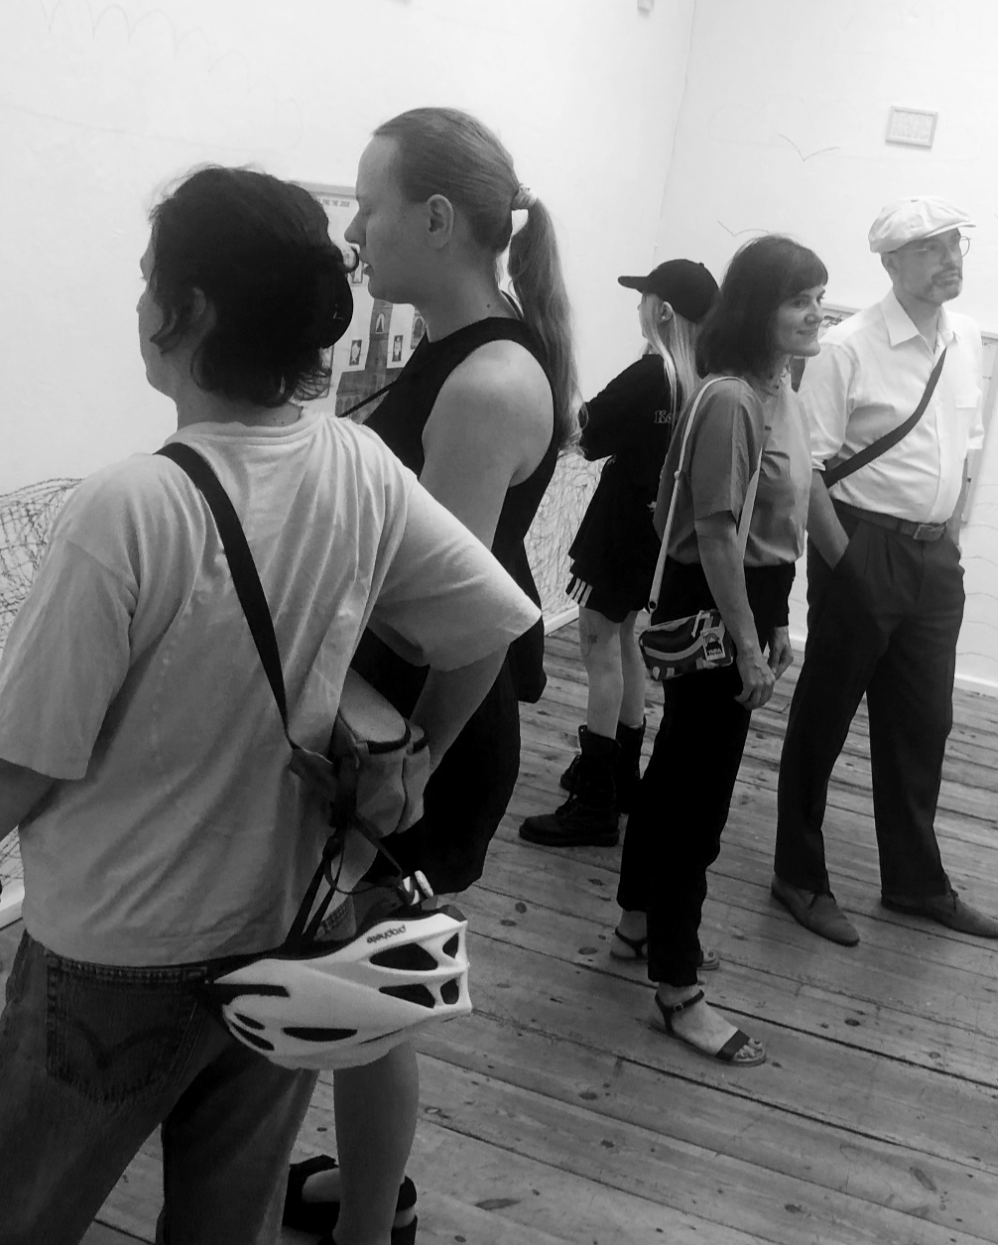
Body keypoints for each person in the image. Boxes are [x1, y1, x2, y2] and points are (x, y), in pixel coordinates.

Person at [0, 166, 538, 1245]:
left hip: (113, 952)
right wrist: (421, 754)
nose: (139, 301)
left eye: (148, 278)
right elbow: (488, 627)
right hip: (282, 938)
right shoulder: (357, 464)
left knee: (11, 1220)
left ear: (189, 310)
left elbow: (27, 753)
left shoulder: (129, 506)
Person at [283, 106, 573, 1245]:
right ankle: (369, 1184)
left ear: (438, 219)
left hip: (422, 728)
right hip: (393, 718)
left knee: (374, 992)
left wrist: (414, 765)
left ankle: (368, 1222)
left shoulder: (488, 382)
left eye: (370, 204)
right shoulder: (467, 353)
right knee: (358, 973)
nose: (356, 230)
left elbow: (459, 621)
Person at [768, 195, 998, 949]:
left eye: (955, 244)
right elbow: (806, 469)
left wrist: (950, 532)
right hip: (862, 545)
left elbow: (968, 443)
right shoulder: (847, 347)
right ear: (892, 262)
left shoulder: (965, 338)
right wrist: (846, 563)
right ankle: (798, 875)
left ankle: (914, 881)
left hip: (934, 558)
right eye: (930, 248)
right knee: (825, 715)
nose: (950, 259)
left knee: (923, 722)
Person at [612, 235, 820, 1067]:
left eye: (819, 297)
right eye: (798, 299)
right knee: (697, 801)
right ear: (757, 309)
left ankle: (638, 923)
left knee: (673, 775)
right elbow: (718, 533)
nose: (815, 313)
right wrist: (747, 644)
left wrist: (779, 617)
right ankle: (679, 987)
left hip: (750, 600)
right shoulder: (733, 398)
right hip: (718, 604)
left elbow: (780, 518)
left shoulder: (780, 389)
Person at [520, 259, 717, 849]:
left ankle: (596, 799)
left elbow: (588, 429)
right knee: (625, 639)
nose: (638, 309)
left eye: (644, 299)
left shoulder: (650, 374)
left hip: (620, 530)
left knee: (597, 645)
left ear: (663, 311)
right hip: (656, 536)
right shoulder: (704, 382)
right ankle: (622, 773)